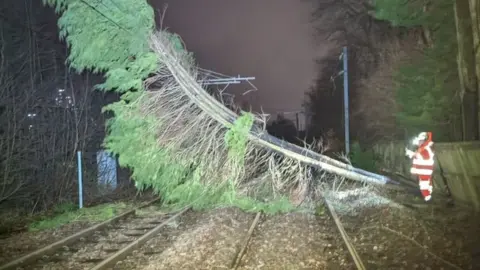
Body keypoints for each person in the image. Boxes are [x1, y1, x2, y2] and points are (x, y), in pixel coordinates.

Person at [405, 132, 434, 202]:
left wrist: (411, 154)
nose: (418, 142)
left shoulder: (425, 148)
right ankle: (428, 196)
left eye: (420, 141)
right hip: (424, 171)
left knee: (423, 186)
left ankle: (428, 199)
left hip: (424, 171)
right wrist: (412, 154)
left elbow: (421, 156)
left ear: (423, 141)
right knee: (426, 184)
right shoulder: (424, 148)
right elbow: (418, 155)